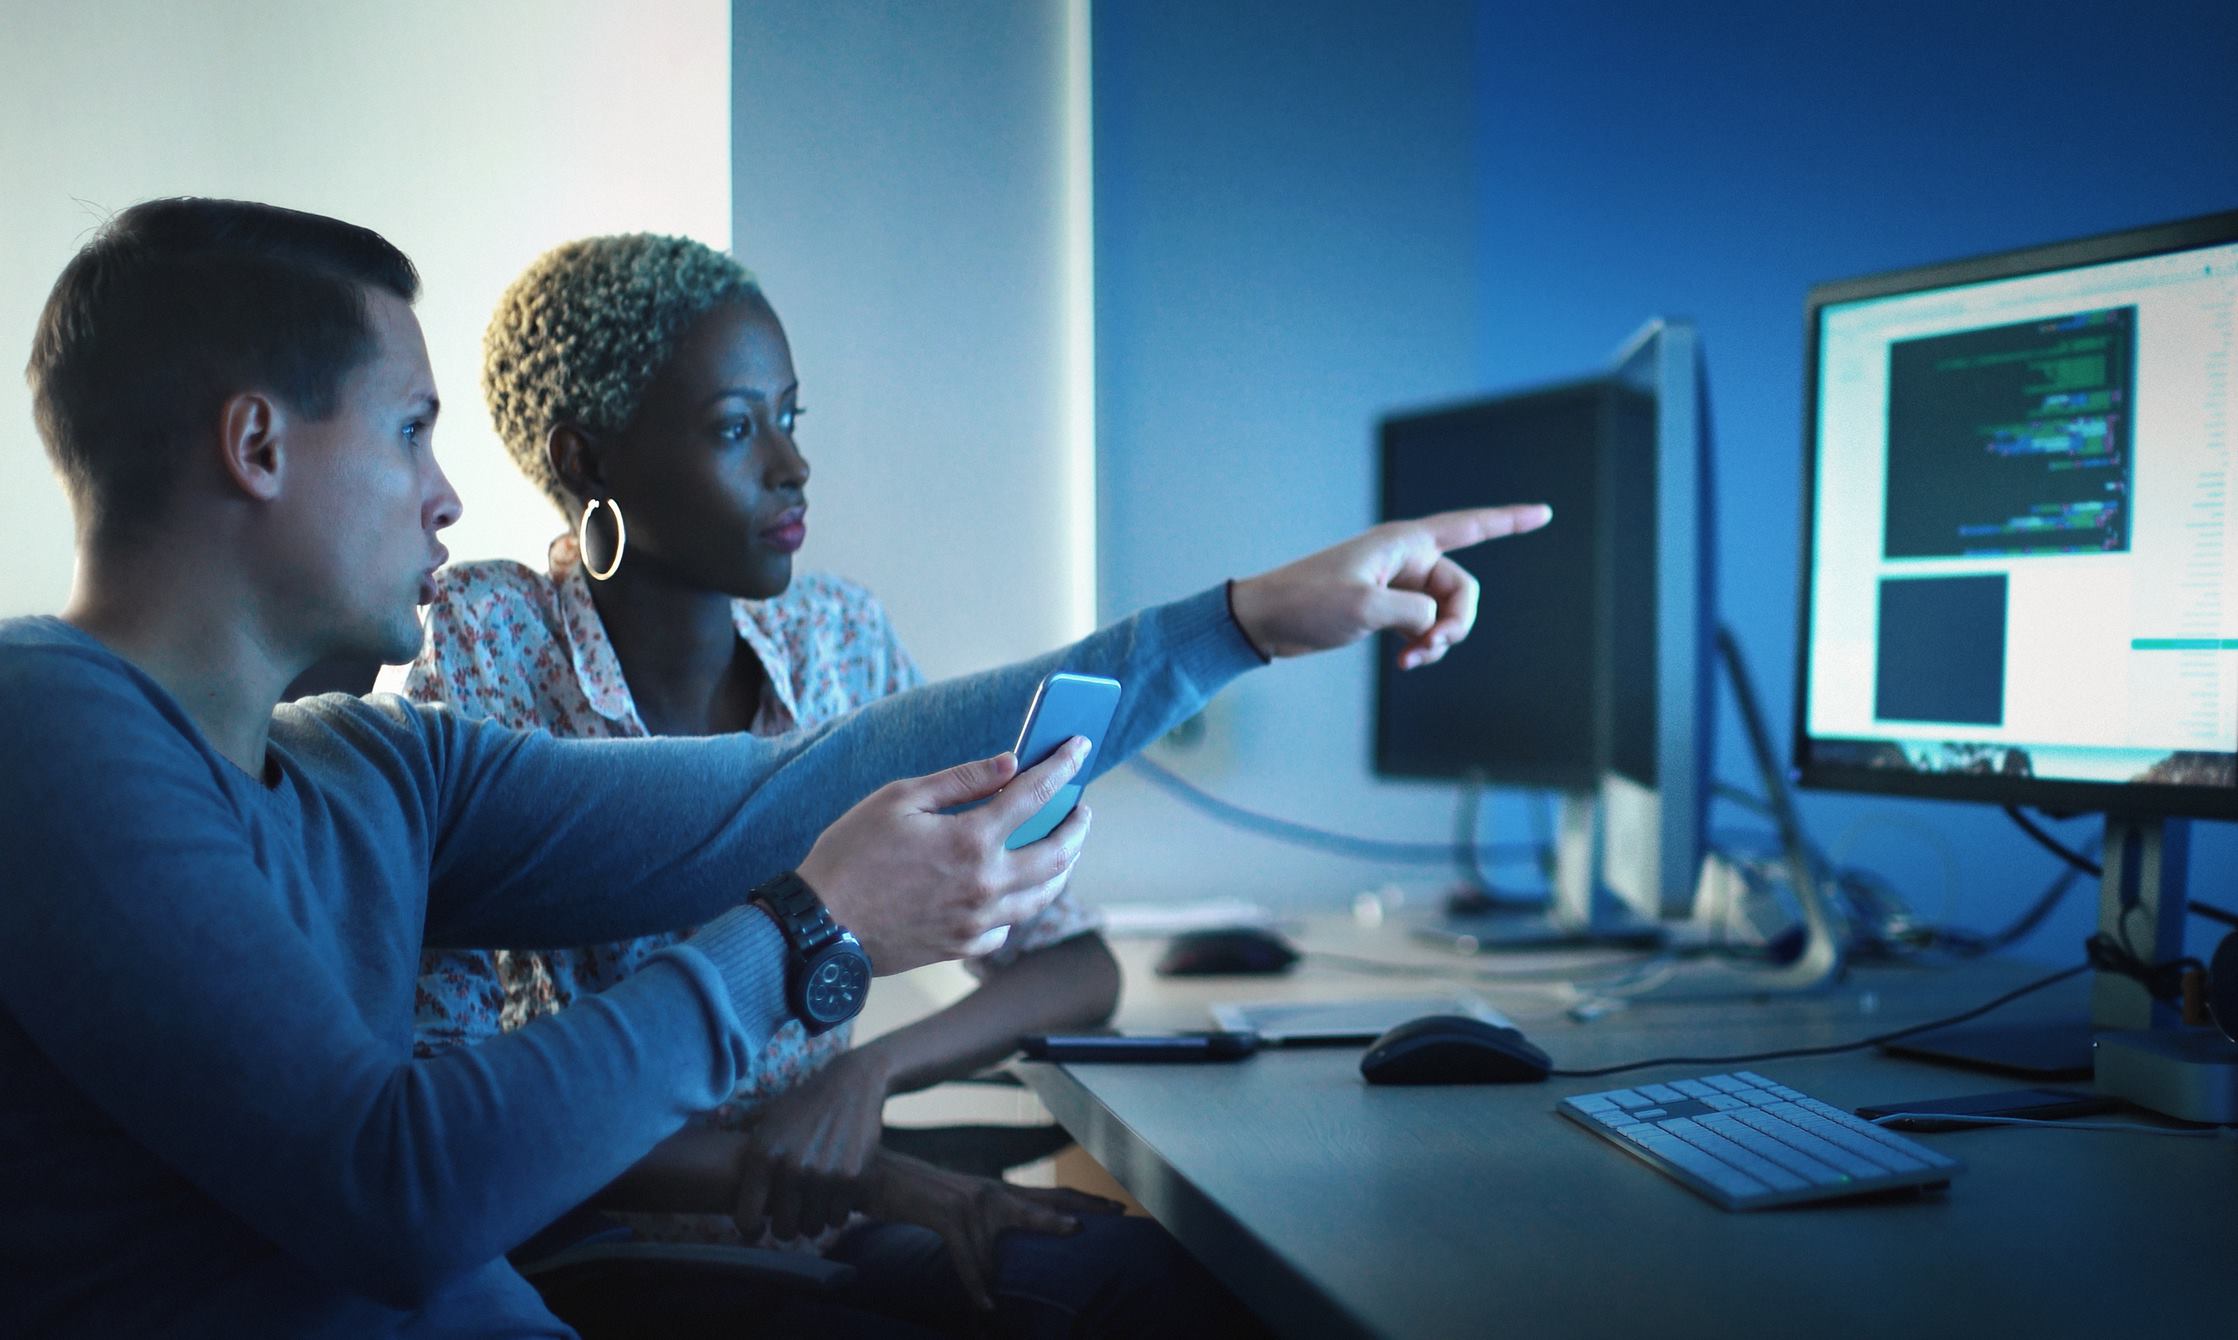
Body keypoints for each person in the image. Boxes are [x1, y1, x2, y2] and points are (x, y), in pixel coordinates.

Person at [0, 195, 1548, 1336]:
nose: (448, 496)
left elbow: (784, 793)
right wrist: (809, 937)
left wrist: (1242, 623)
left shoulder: (367, 772)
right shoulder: (44, 730)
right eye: (409, 433)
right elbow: (404, 1191)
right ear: (257, 448)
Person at [406, 233, 1177, 1334]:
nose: (791, 465)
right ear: (586, 464)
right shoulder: (489, 638)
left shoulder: (838, 636)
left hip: (834, 1204)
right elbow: (457, 1100)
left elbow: (1073, 964)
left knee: (1149, 1282)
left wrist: (859, 1082)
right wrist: (868, 1174)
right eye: (735, 427)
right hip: (602, 1243)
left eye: (790, 418)